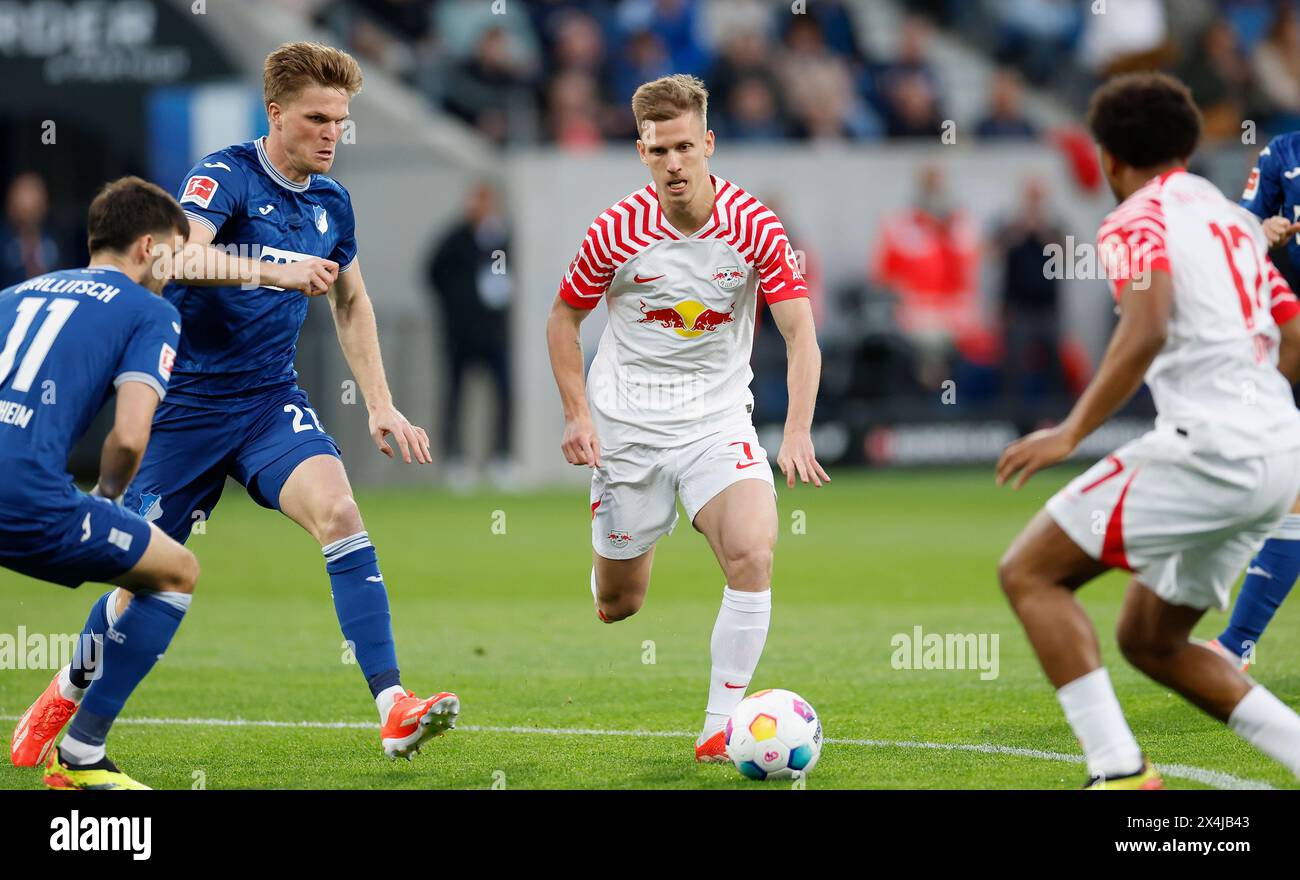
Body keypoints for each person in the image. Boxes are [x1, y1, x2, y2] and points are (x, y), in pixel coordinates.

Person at [11, 42, 458, 766]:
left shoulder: (332, 201)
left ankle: (393, 705)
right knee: (142, 581)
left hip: (266, 402)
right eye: (316, 118)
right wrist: (275, 269)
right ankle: (70, 684)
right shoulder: (224, 176)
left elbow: (351, 299)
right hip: (183, 409)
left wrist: (381, 403)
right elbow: (175, 258)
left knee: (340, 514)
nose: (331, 134)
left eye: (341, 121)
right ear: (275, 113)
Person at [996, 72, 1300, 788]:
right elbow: (1292, 338)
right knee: (1150, 640)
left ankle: (1119, 772)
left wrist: (1070, 431)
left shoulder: (1136, 216)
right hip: (1281, 456)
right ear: (1189, 146)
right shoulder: (1230, 218)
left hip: (1211, 449)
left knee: (1030, 573)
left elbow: (1147, 324)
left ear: (1106, 157)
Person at [545, 74, 829, 762]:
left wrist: (795, 431)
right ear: (640, 152)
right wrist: (578, 415)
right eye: (657, 150)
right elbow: (563, 320)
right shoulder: (615, 231)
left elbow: (800, 331)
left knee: (754, 552)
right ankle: (614, 553)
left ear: (707, 143)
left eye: (683, 147)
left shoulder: (756, 224)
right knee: (621, 604)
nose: (672, 163)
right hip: (627, 430)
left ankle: (719, 725)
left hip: (717, 420)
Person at [4, 177, 197, 789]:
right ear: (146, 246)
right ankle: (83, 752)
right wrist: (108, 501)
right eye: (171, 254)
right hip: (30, 499)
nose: (173, 271)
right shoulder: (151, 312)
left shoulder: (14, 294)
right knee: (175, 572)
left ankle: (63, 706)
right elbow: (130, 436)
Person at [1207, 127, 1300, 669]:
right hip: (1291, 336)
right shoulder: (1280, 153)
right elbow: (1240, 234)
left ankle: (1237, 642)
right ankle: (1236, 642)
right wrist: (1262, 231)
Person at [426, 181, 514, 488]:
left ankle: (501, 458)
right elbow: (432, 272)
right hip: (460, 334)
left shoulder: (500, 237)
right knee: (456, 394)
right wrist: (457, 304)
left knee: (503, 394)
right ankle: (455, 460)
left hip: (494, 334)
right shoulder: (455, 238)